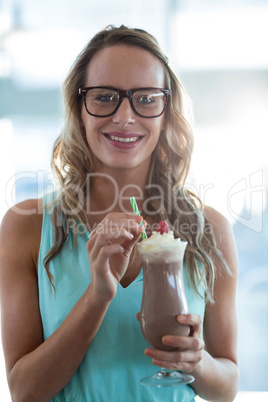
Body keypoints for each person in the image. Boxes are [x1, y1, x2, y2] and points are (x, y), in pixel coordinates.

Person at [0, 25, 239, 402]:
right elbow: (24, 391)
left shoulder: (209, 229)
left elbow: (227, 385)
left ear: (166, 111)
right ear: (80, 109)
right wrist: (97, 295)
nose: (125, 116)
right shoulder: (26, 226)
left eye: (145, 99)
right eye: (105, 97)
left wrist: (198, 363)